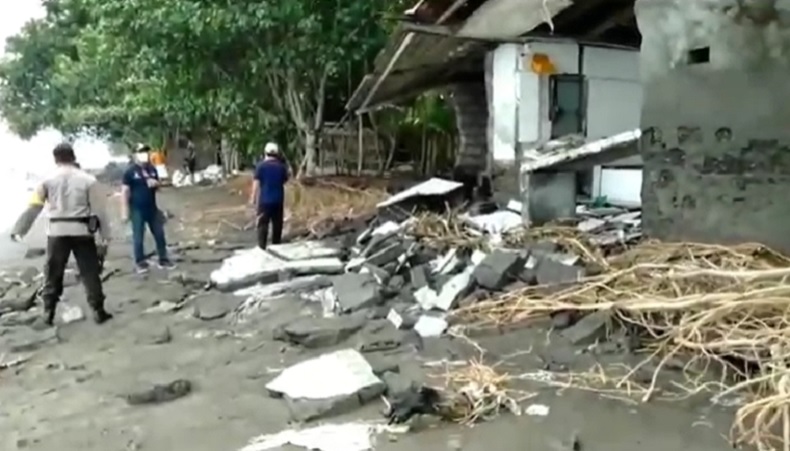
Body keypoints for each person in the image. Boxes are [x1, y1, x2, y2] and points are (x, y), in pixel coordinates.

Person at [13, 144, 113, 326]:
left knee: (53, 273)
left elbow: (34, 206)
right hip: (82, 231)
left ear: (55, 159)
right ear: (73, 157)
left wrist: (19, 229)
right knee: (90, 272)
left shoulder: (47, 180)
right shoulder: (88, 180)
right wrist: (105, 235)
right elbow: (99, 211)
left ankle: (48, 313)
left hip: (57, 232)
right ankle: (99, 311)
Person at [121, 143, 176, 273]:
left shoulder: (152, 169)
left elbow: (158, 187)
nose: (144, 154)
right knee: (138, 237)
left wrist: (157, 184)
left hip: (152, 207)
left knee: (159, 234)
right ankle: (140, 262)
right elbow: (125, 192)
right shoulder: (130, 172)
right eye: (141, 152)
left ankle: (163, 259)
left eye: (146, 151)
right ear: (135, 155)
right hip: (137, 208)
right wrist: (124, 211)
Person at [249, 142, 288, 249]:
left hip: (264, 201)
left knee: (263, 224)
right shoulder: (281, 167)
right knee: (277, 225)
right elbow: (284, 181)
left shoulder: (260, 166)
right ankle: (276, 245)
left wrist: (253, 198)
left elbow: (256, 183)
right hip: (278, 200)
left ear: (265, 152)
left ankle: (262, 246)